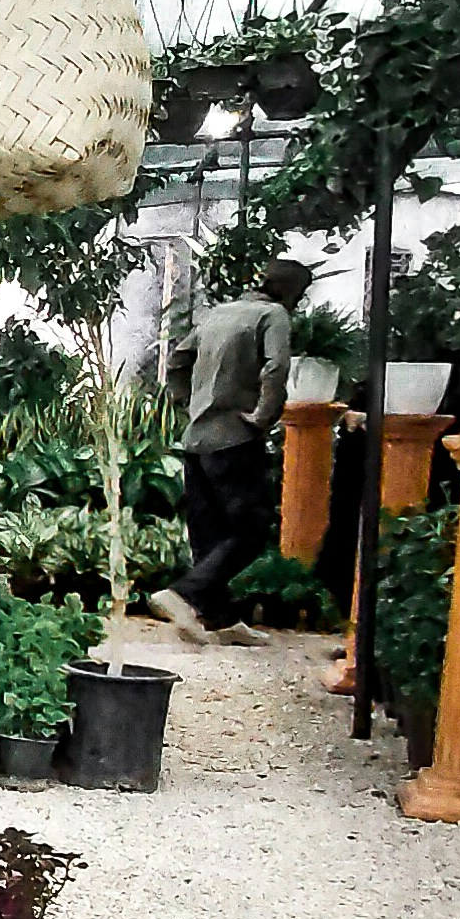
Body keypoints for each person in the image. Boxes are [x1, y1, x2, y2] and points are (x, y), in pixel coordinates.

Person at [150, 253, 307, 638]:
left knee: (210, 533)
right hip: (235, 438)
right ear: (291, 292)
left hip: (197, 439)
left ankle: (218, 620)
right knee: (251, 530)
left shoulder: (218, 314)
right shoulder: (273, 317)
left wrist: (185, 401)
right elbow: (276, 367)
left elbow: (177, 360)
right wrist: (263, 415)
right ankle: (183, 594)